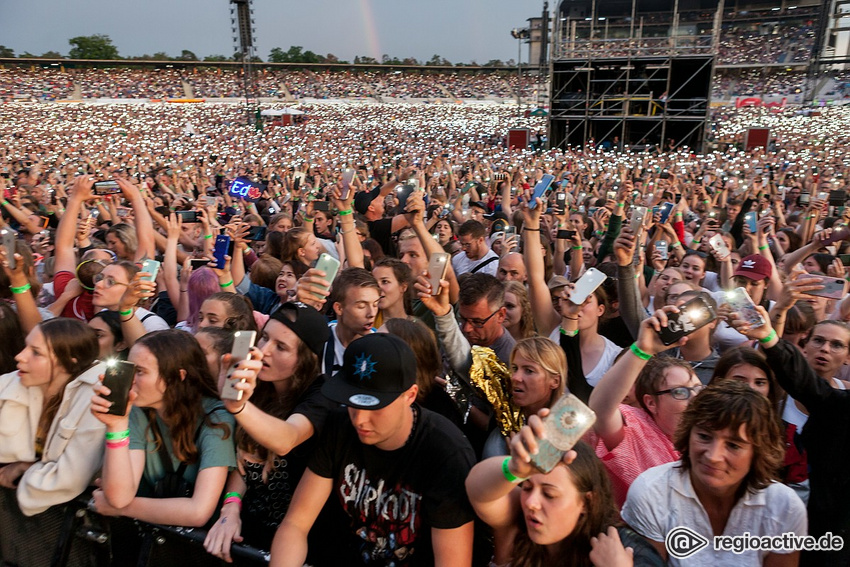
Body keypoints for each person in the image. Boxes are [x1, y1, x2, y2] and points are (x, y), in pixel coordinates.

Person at [270, 333, 476, 567]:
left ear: (409, 395)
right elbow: (295, 525)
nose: (359, 419)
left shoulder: (445, 452)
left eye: (374, 407)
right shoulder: (339, 426)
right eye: (352, 404)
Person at [622, 381, 806, 566]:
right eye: (704, 436)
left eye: (733, 445)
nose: (713, 456)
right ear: (688, 433)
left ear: (758, 452)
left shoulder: (784, 506)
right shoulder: (651, 493)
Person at [204, 304, 334, 560]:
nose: (263, 351)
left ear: (306, 360)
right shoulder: (259, 382)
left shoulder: (322, 395)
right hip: (246, 533)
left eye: (281, 347)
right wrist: (231, 507)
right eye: (264, 337)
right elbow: (247, 457)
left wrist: (239, 407)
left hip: (300, 545)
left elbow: (286, 439)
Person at [732, 309, 850, 564]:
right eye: (819, 340)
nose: (825, 349)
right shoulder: (839, 404)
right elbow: (808, 385)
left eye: (837, 345)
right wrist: (769, 338)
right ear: (805, 345)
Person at [89, 330, 236, 529]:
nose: (130, 380)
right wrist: (116, 425)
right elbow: (119, 497)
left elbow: (198, 512)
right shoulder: (136, 410)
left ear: (178, 376)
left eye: (140, 371)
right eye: (130, 369)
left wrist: (122, 510)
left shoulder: (216, 418)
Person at [467, 436, 663, 567]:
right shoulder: (518, 527)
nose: (531, 503)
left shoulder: (623, 552)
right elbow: (477, 489)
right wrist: (515, 467)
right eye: (527, 487)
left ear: (587, 502)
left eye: (549, 495)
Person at [588, 307, 702, 505]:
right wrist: (643, 349)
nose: (694, 398)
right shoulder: (634, 429)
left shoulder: (710, 440)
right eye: (680, 392)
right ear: (651, 402)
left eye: (698, 389)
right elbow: (601, 410)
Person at [0, 319, 106, 516]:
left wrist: (25, 469)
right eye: (26, 346)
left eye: (36, 352)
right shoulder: (16, 380)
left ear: (69, 361)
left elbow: (69, 478)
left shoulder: (96, 398)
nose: (20, 356)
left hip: (73, 524)